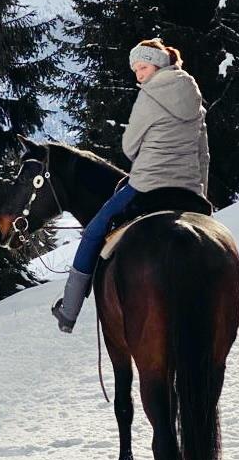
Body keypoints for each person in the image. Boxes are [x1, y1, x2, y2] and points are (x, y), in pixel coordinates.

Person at [51, 38, 210, 333]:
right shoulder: (195, 98)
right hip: (189, 188)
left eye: (143, 66)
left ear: (159, 63)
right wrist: (199, 192)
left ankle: (69, 310)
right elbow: (203, 153)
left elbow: (129, 146)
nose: (139, 74)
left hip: (148, 184)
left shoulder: (150, 95)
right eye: (135, 69)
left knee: (95, 231)